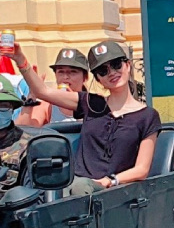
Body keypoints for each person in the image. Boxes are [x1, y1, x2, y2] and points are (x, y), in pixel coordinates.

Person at [17, 39, 160, 188]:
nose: (112, 73)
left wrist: (110, 180)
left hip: (116, 191)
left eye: (116, 65)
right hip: (77, 183)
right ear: (98, 79)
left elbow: (142, 170)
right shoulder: (91, 103)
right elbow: (43, 91)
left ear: (128, 65)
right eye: (103, 71)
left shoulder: (147, 116)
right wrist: (20, 59)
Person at [19, 47, 88, 127]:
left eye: (73, 72)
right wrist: (31, 97)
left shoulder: (93, 104)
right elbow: (24, 131)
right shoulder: (47, 106)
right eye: (61, 72)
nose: (65, 77)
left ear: (85, 77)